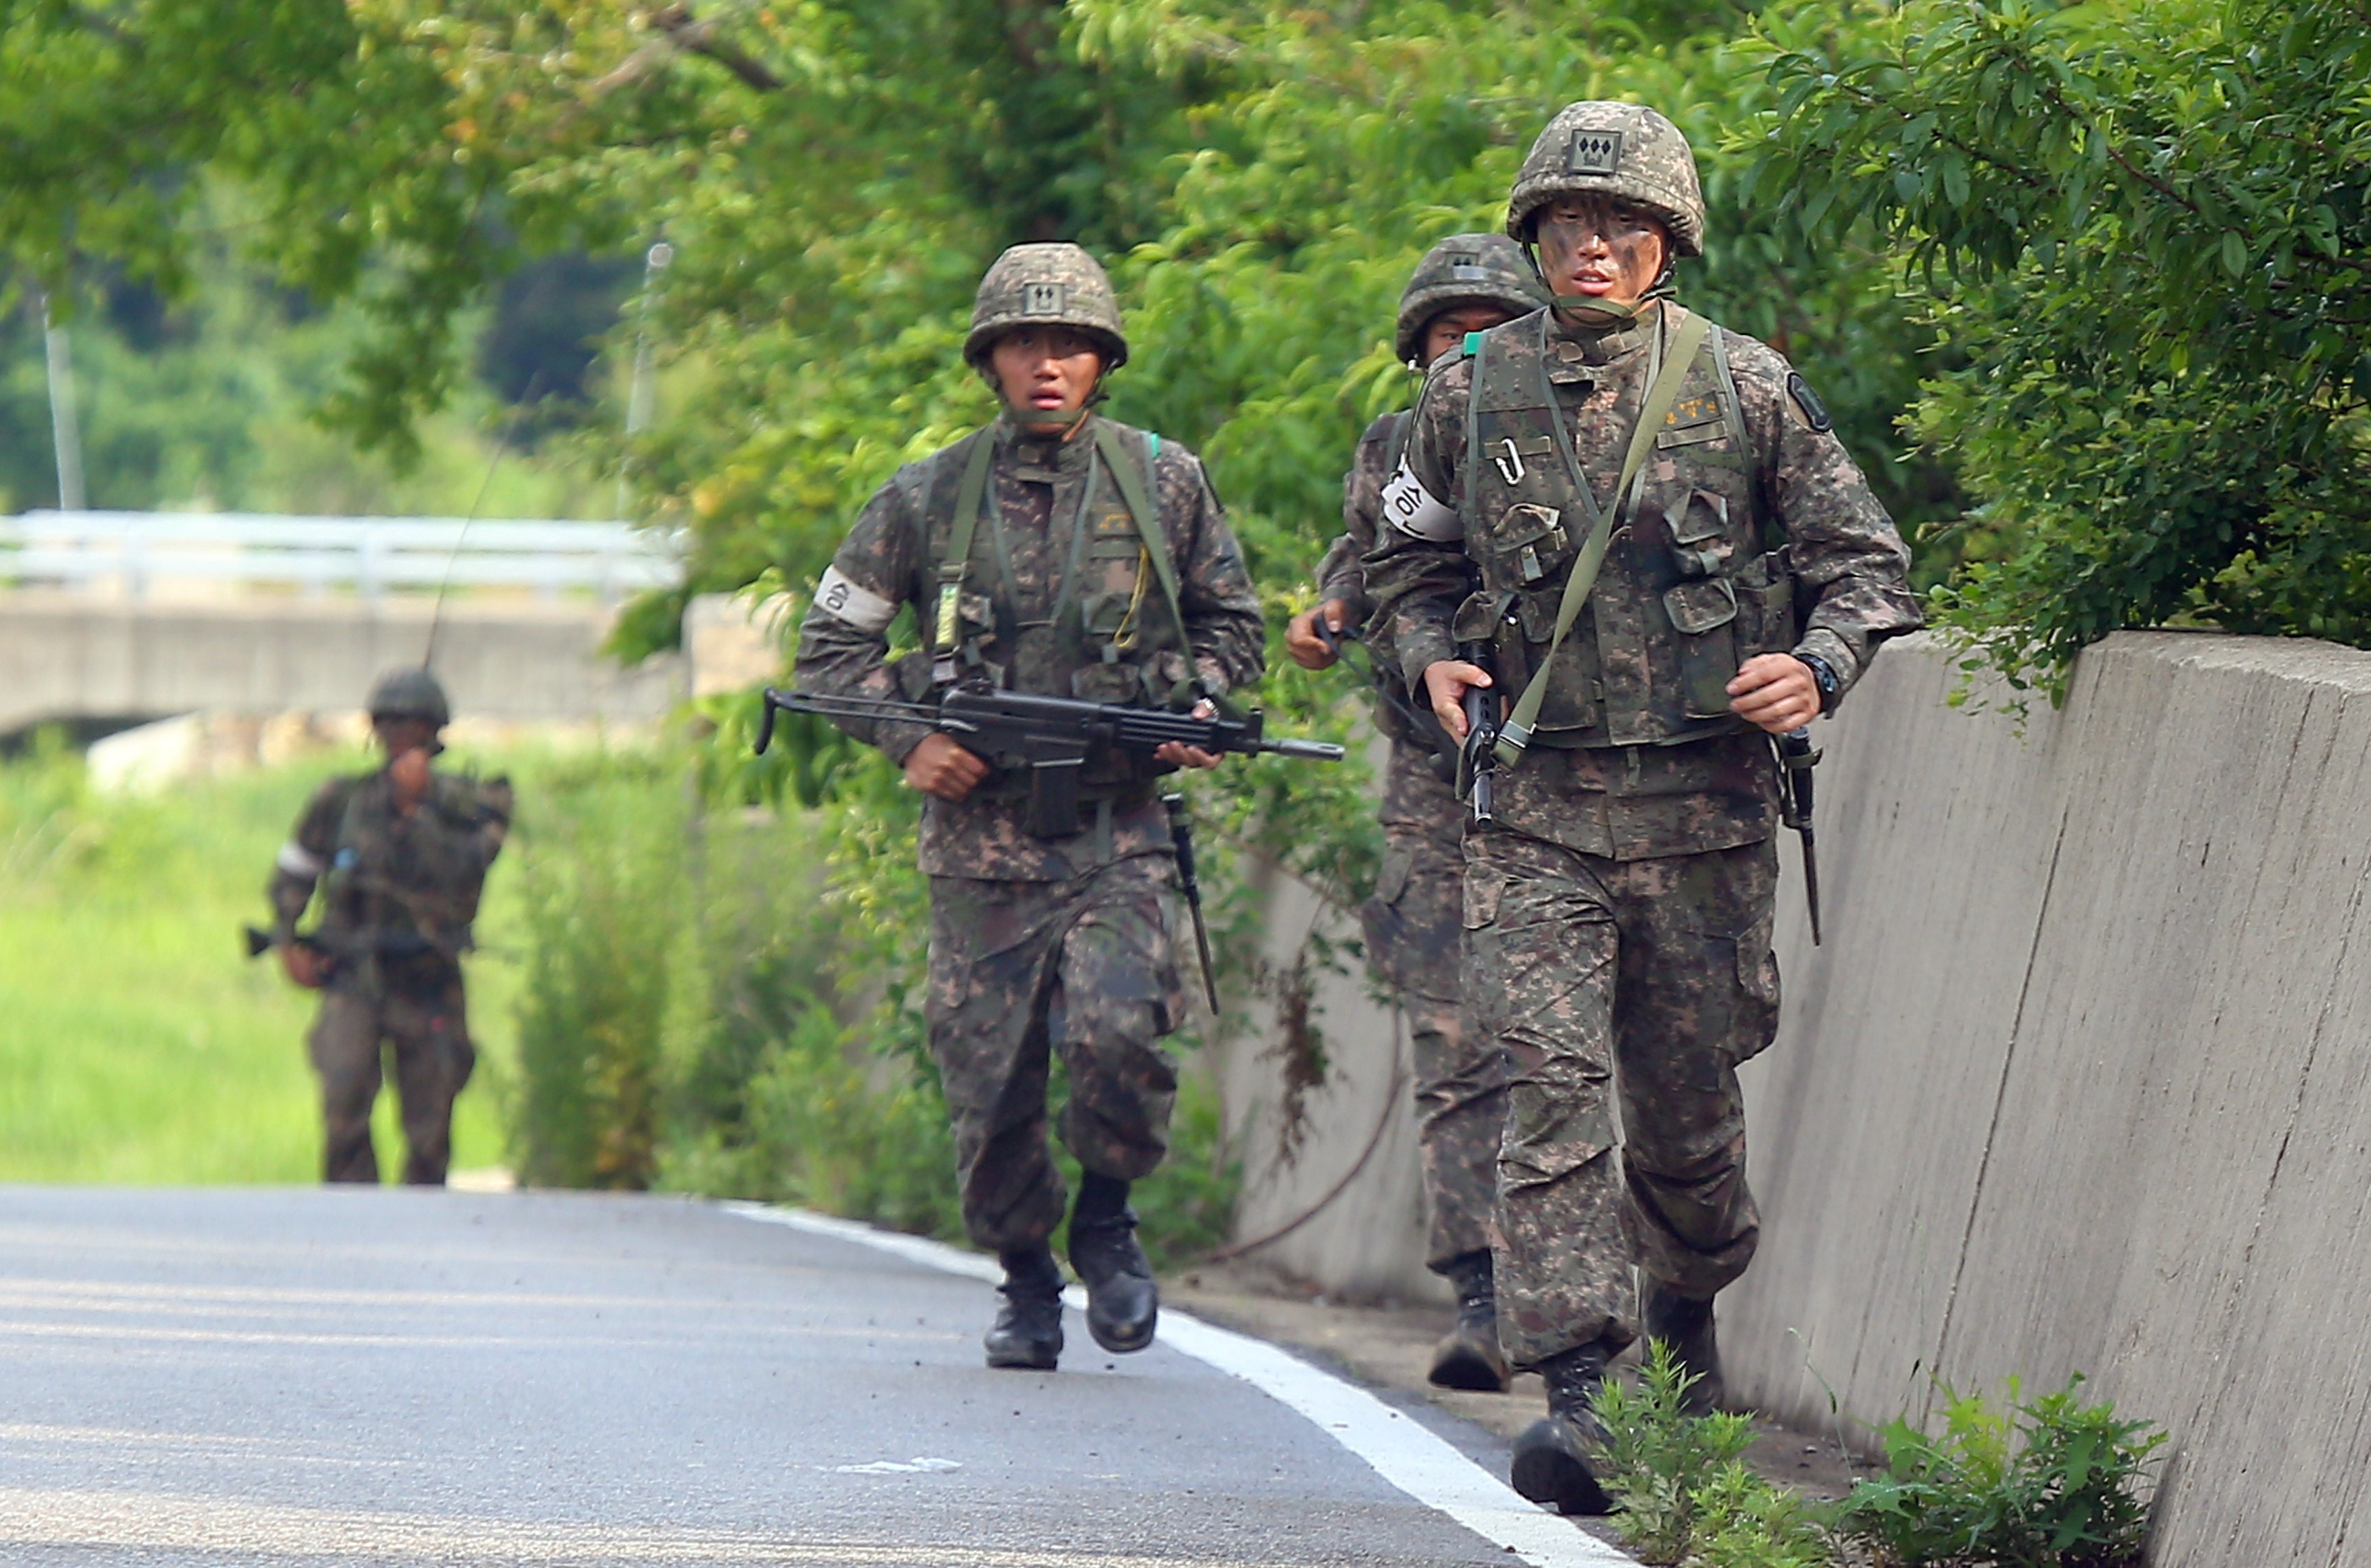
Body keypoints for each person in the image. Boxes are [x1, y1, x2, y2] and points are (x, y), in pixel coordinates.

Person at [1365, 101, 1923, 1512]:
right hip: (1535, 807)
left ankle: (1685, 1302)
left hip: (1701, 814)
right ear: (1533, 236)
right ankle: (1582, 1387)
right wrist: (1428, 655)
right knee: (1548, 1095)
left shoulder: (1744, 388)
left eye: (1622, 224)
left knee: (1684, 1123)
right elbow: (1400, 569)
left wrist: (1814, 664)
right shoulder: (1461, 394)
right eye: (1567, 222)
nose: (1593, 244)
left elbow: (1869, 567)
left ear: (1666, 242)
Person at [793, 242, 1266, 1371]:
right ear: (990, 359)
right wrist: (912, 739)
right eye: (1023, 343)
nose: (1046, 364)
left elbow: (1234, 631)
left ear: (1102, 360)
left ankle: (1106, 1217)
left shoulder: (1165, 483)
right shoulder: (926, 495)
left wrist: (1196, 706)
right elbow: (828, 649)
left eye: (1069, 344)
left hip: (1119, 833)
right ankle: (1022, 1281)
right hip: (979, 849)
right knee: (989, 1080)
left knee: (1116, 1033)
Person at [1284, 233, 1547, 1393]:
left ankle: (1590, 1298)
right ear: (1418, 351)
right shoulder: (1398, 452)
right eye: (1451, 336)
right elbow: (1369, 559)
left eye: (1492, 331)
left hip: (1569, 780)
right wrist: (1328, 614)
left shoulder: (1582, 433)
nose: (1472, 352)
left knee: (1570, 1049)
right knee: (1452, 1039)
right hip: (1432, 785)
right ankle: (1481, 1292)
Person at [267, 668, 512, 1186]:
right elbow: (296, 870)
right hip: (353, 974)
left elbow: (466, 868)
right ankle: (352, 1217)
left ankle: (418, 1226)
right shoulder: (342, 800)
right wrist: (287, 939)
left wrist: (415, 809)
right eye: (390, 722)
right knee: (344, 1096)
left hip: (428, 979)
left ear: (434, 730)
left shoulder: (471, 804)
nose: (400, 734)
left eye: (413, 723)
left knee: (430, 1120)